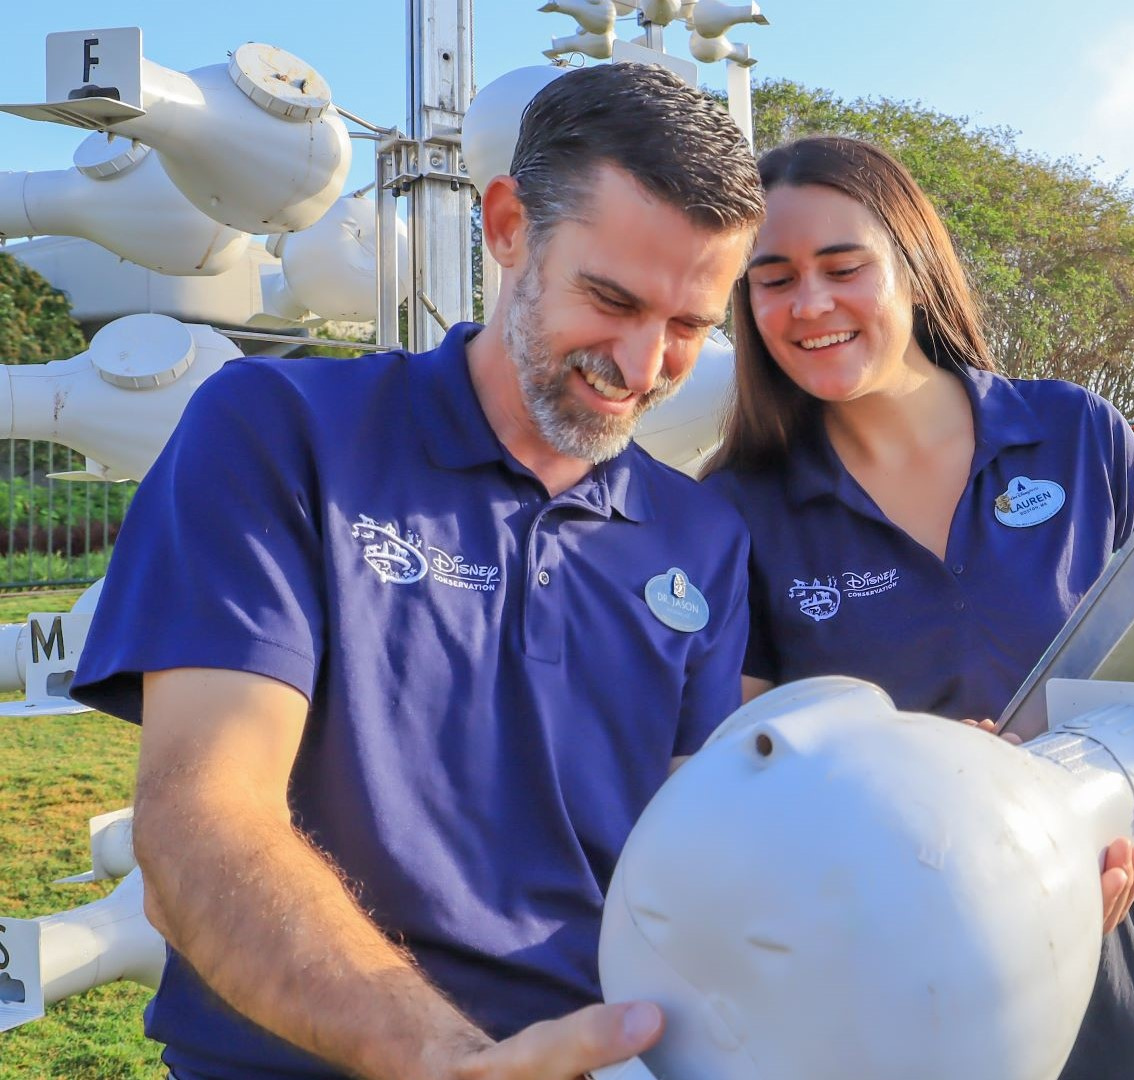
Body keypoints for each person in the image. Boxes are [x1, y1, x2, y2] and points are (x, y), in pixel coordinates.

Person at [70, 63, 766, 1080]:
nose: (642, 360)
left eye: (691, 327)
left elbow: (697, 871)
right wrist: (443, 1059)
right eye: (610, 298)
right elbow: (200, 822)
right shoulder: (280, 433)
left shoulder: (701, 540)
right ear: (509, 227)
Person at [703, 135, 1134, 1080]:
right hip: (873, 972)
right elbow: (738, 781)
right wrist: (937, 784)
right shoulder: (738, 507)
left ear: (912, 262)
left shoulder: (1078, 438)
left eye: (843, 266)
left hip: (1106, 935)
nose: (810, 304)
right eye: (773, 278)